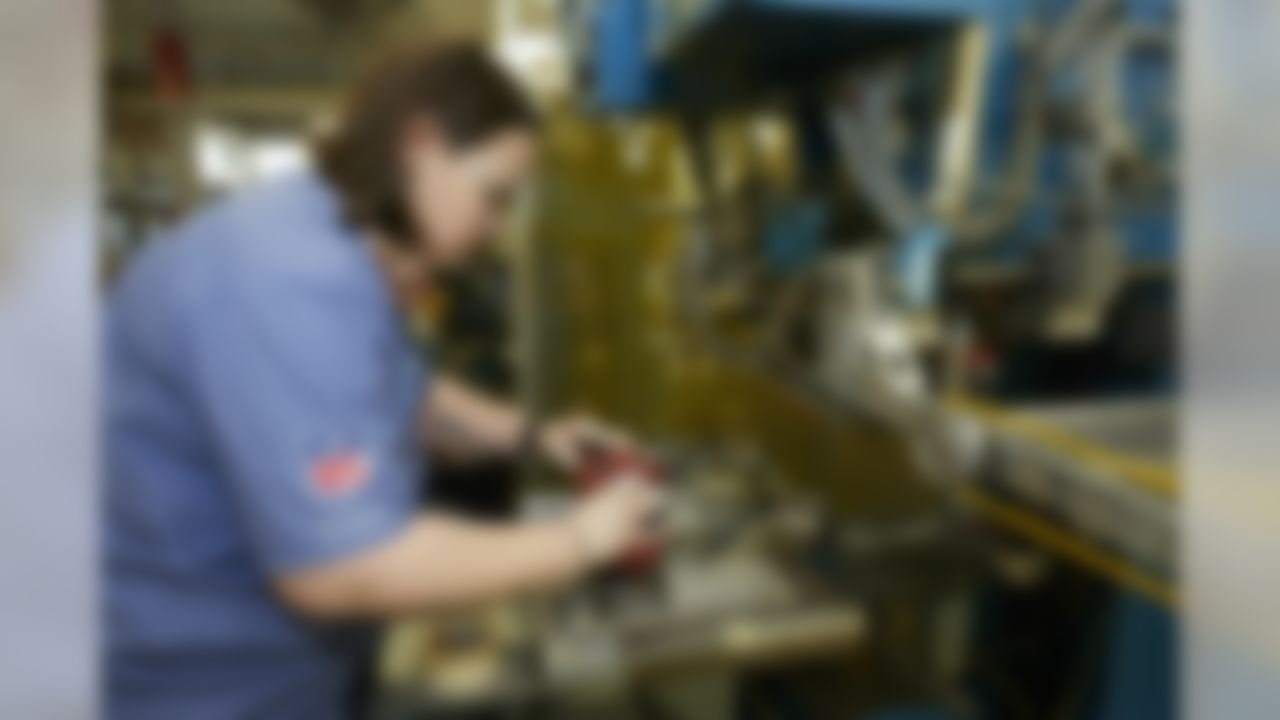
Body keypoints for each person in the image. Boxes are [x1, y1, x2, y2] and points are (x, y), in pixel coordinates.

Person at [104, 40, 662, 719]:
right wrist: (581, 541)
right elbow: (341, 570)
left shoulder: (337, 234)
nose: (496, 227)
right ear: (420, 145)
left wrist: (535, 437)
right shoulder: (292, 278)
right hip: (209, 690)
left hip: (284, 670)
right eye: (493, 197)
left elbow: (402, 392)